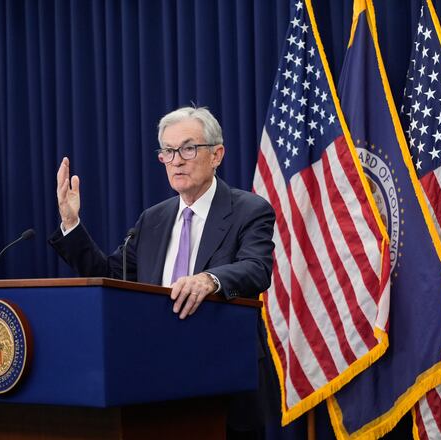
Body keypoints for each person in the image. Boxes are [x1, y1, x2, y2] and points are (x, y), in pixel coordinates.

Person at [48, 106, 277, 437]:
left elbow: (257, 269)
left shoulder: (249, 210)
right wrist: (71, 224)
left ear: (217, 154)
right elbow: (111, 277)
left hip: (224, 383)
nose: (177, 160)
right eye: (168, 152)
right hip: (157, 383)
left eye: (187, 148)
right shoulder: (152, 219)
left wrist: (209, 280)